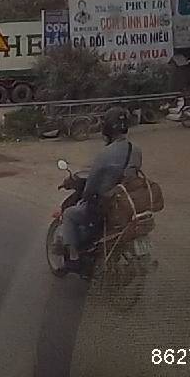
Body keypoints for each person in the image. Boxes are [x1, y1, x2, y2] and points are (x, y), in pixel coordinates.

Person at [60, 107, 143, 264]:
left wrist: (84, 197)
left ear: (107, 128)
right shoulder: (136, 150)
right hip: (126, 203)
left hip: (106, 207)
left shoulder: (105, 153)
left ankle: (73, 257)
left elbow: (91, 185)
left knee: (69, 214)